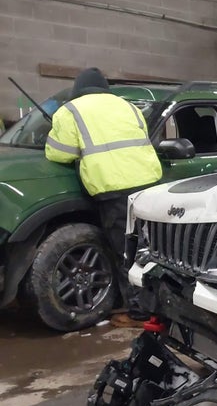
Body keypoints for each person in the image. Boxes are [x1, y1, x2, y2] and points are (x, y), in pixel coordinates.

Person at [45, 67, 162, 326]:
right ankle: (162, 303)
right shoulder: (128, 107)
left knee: (126, 251)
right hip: (149, 183)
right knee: (150, 247)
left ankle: (140, 312)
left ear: (78, 89)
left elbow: (60, 153)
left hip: (115, 187)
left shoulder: (71, 110)